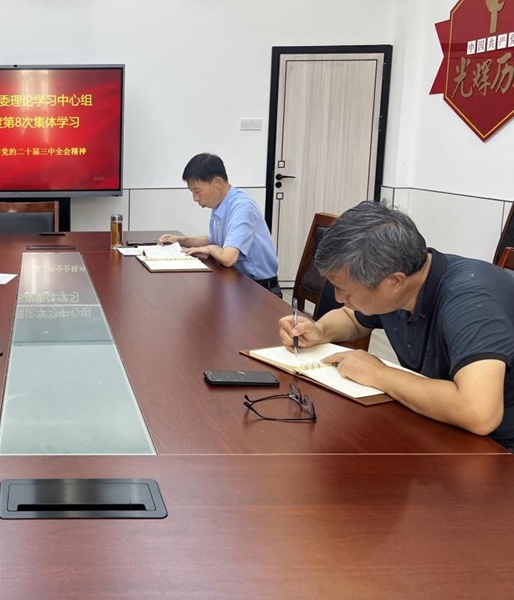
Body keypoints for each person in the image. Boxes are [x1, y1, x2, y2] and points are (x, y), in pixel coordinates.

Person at [279, 201, 514, 450]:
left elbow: (478, 413)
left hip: (497, 449)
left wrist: (379, 374)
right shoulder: (402, 283)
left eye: (345, 291)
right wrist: (319, 331)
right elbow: (352, 318)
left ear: (393, 282)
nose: (338, 299)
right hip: (444, 427)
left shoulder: (468, 302)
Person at [158, 153, 281, 296]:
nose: (195, 198)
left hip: (259, 291)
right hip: (237, 283)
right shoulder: (220, 204)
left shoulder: (242, 207)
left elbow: (228, 258)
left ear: (217, 182)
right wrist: (181, 240)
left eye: (197, 191)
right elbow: (214, 240)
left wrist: (210, 249)